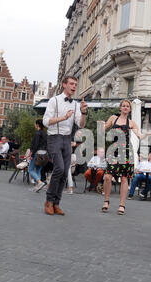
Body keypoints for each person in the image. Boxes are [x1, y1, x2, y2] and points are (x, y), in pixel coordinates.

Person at [42, 76, 88, 216]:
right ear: (64, 85)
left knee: (65, 172)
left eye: (75, 84)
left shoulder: (75, 104)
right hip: (54, 137)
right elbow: (45, 121)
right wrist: (63, 117)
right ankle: (49, 201)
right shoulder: (54, 100)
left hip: (67, 139)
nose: (74, 87)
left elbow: (81, 125)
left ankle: (56, 203)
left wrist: (84, 112)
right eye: (71, 84)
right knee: (59, 168)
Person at [100, 99, 150, 215]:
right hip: (114, 150)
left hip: (126, 151)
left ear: (130, 109)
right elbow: (104, 129)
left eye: (128, 106)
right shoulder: (113, 118)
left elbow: (139, 135)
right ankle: (106, 201)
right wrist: (101, 125)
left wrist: (146, 134)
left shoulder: (131, 123)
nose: (125, 107)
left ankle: (122, 205)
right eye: (123, 106)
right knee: (108, 176)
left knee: (124, 178)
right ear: (120, 108)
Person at [28, 119, 48, 193]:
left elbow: (35, 145)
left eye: (35, 124)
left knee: (30, 169)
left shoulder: (37, 134)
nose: (34, 125)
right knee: (38, 170)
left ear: (37, 125)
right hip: (44, 154)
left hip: (38, 153)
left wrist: (32, 154)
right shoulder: (45, 134)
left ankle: (39, 182)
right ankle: (37, 187)